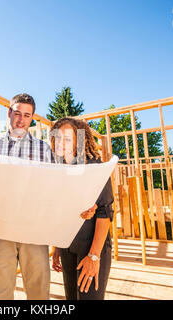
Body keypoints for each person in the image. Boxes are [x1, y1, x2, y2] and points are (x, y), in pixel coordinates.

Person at [0, 93, 56, 300]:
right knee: (0, 292)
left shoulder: (44, 150)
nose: (21, 120)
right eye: (17, 113)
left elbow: (52, 190)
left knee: (38, 290)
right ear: (9, 112)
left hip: (34, 231)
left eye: (27, 115)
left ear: (32, 118)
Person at [50, 117, 114, 300]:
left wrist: (94, 257)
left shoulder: (95, 168)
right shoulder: (58, 170)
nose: (61, 143)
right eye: (58, 138)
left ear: (79, 140)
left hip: (92, 247)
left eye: (68, 139)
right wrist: (58, 247)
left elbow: (105, 212)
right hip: (69, 249)